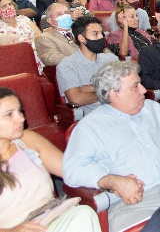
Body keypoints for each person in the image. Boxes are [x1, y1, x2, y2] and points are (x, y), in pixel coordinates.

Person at [63, 61, 160, 232]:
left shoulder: (152, 109)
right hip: (133, 204)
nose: (144, 90)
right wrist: (113, 181)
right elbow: (72, 170)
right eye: (135, 86)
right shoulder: (89, 127)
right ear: (114, 94)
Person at [0, 88, 103, 231]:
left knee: (82, 214)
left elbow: (71, 170)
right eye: (9, 114)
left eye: (19, 111)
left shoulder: (26, 140)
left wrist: (110, 179)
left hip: (50, 220)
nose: (21, 118)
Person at [56, 15, 118, 115]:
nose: (101, 37)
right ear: (81, 38)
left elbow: (124, 85)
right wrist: (109, 90)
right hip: (95, 117)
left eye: (101, 33)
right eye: (95, 34)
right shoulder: (67, 65)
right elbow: (76, 99)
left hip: (121, 109)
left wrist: (89, 88)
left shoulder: (111, 58)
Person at [0, 0, 43, 72]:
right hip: (15, 59)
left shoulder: (23, 18)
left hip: (35, 51)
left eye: (10, 4)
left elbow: (39, 34)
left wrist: (28, 43)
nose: (9, 7)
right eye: (4, 6)